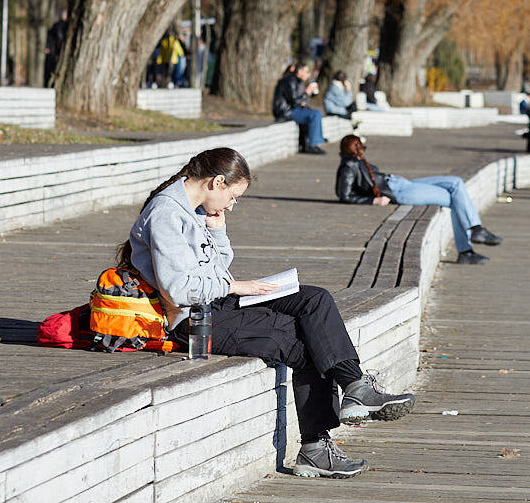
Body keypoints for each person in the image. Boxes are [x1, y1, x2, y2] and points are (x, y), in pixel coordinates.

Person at [122, 147, 414, 479]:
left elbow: (216, 268)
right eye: (233, 196)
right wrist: (235, 288)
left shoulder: (194, 209)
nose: (232, 204)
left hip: (217, 302)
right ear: (217, 182)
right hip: (193, 320)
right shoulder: (167, 212)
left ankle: (355, 385)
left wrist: (217, 232)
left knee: (314, 300)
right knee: (299, 340)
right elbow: (177, 288)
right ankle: (316, 448)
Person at [335, 134, 502, 265]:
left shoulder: (354, 161)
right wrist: (373, 201)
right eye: (360, 146)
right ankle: (468, 246)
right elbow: (344, 194)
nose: (363, 149)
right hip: (400, 192)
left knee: (456, 182)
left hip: (400, 183)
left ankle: (475, 230)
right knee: (454, 197)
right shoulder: (349, 165)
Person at [273, 62, 326, 154]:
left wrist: (311, 93)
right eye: (306, 72)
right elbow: (295, 101)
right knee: (315, 114)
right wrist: (307, 92)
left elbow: (300, 100)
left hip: (293, 109)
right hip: (286, 112)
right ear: (300, 71)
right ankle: (312, 144)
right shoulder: (289, 81)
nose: (308, 74)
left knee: (313, 112)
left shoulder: (297, 81)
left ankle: (311, 143)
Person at [43, 10, 68, 87]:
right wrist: (48, 48)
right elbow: (51, 38)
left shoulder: (65, 26)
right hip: (55, 51)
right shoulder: (57, 26)